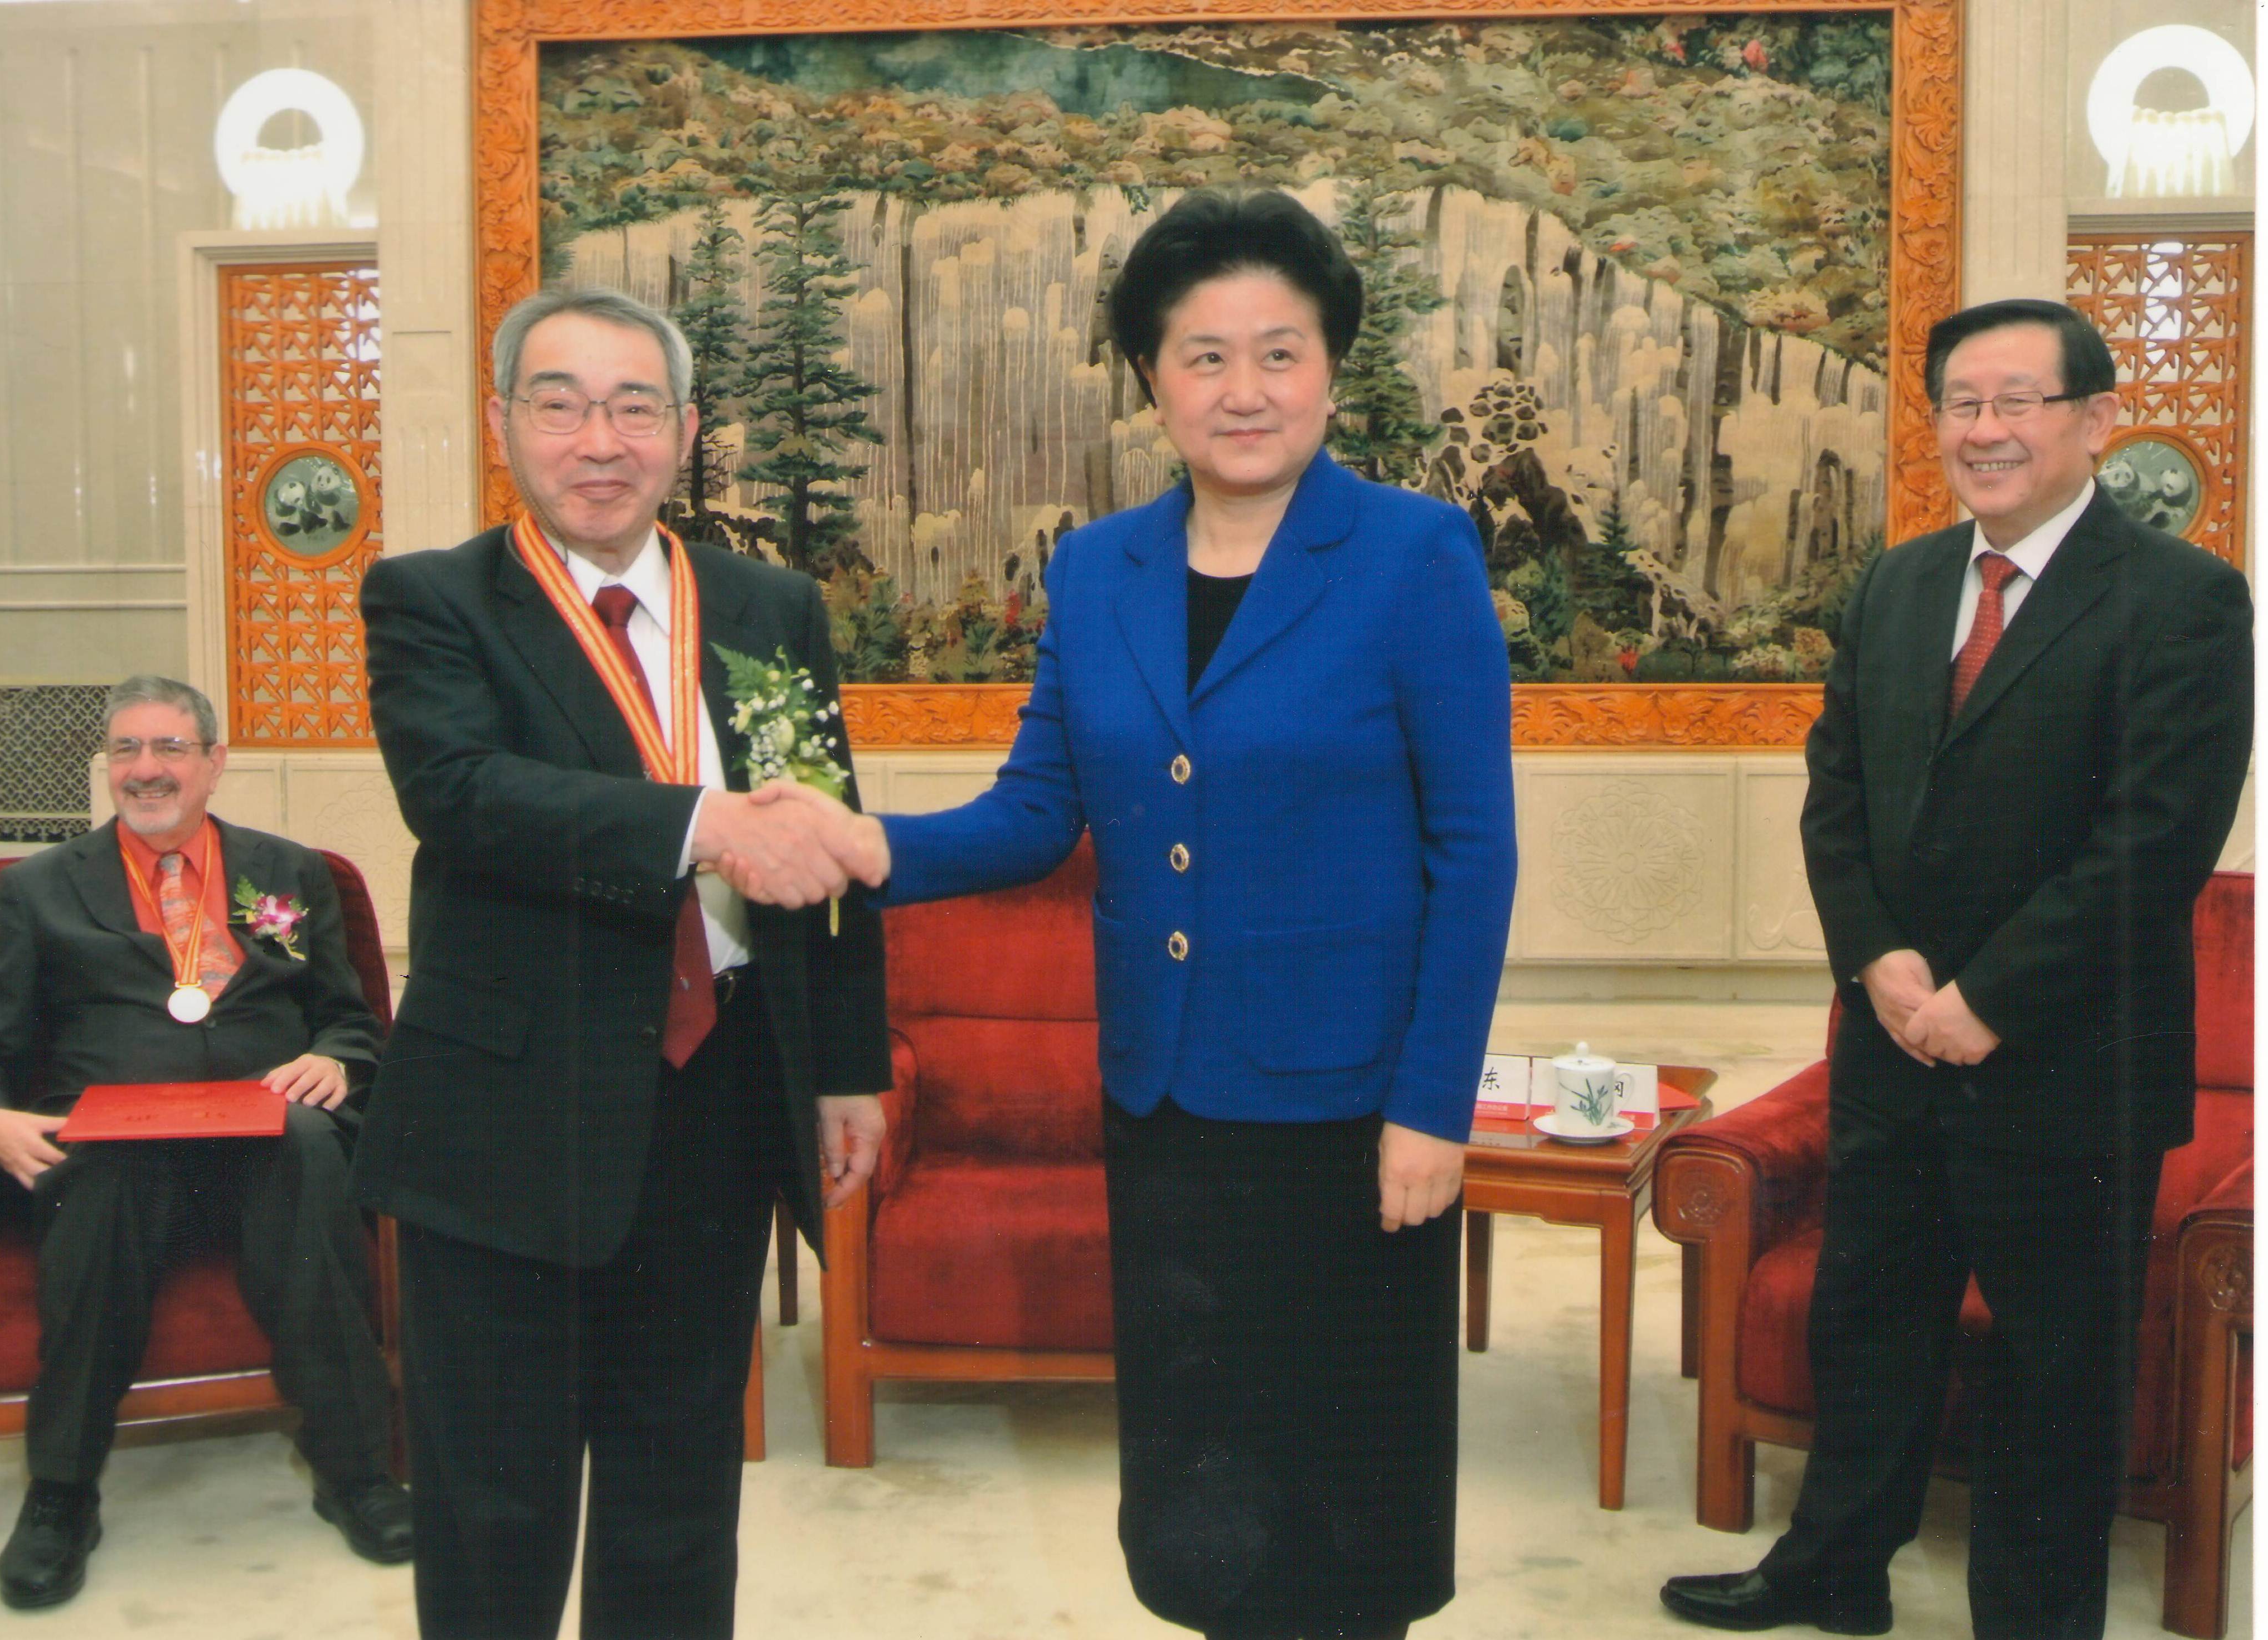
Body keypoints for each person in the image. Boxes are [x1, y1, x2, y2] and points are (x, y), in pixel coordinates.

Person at [742, 188, 1517, 1640]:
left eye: (1279, 352)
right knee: (1203, 1488)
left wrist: (1434, 1105)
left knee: (1343, 1496)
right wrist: (863, 841)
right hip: (1164, 1100)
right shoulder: (1101, 567)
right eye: (1204, 356)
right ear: (1152, 381)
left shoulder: (1414, 552)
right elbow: (1037, 811)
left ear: (1331, 370)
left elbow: (1473, 852)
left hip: (1351, 1112)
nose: (1244, 389)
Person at [1659, 299, 2252, 1638]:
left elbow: (2155, 839)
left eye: (2016, 402)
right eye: (1961, 405)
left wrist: (1986, 1001)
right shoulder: (1899, 584)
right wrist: (1877, 960)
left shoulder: (2185, 599)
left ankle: (2033, 1619)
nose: (1983, 430)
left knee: (2053, 1369)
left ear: (2095, 421)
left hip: (2067, 1067)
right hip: (1890, 1044)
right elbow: (1836, 796)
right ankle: (1832, 1572)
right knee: (1869, 1325)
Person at [354, 285, 890, 1640]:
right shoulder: (433, 600)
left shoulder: (769, 607)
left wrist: (845, 1069)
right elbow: (462, 793)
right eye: (561, 404)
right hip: (505, 1116)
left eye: (634, 406)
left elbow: (826, 844)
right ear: (502, 422)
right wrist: (705, 825)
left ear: (685, 431)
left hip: (715, 1102)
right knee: (495, 1503)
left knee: (679, 1493)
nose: (600, 440)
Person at [0, 674, 406, 1609]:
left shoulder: (287, 872)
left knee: (310, 1146)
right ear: (108, 766)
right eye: (127, 750)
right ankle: (62, 1495)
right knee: (100, 1167)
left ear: (214, 762)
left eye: (170, 748)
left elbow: (349, 1018)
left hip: (267, 1133)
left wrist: (337, 1058)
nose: (146, 769)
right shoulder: (38, 889)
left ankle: (357, 1473)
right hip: (119, 1144)